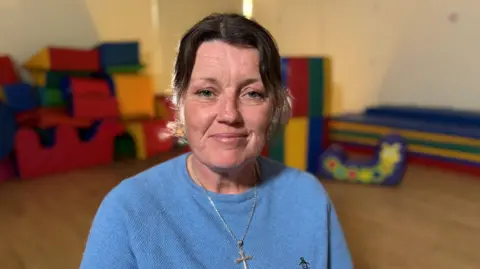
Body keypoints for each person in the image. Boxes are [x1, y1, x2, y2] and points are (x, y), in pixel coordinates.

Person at [80, 13, 353, 269]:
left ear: (274, 106)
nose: (229, 114)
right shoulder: (128, 210)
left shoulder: (309, 197)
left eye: (252, 94)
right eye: (207, 92)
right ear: (180, 103)